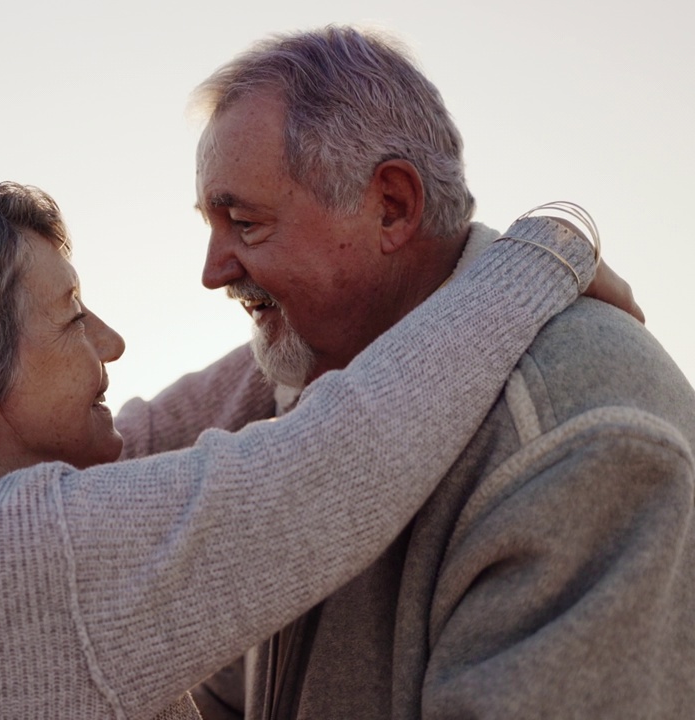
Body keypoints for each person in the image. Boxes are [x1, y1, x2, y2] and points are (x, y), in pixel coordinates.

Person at [0, 180, 609, 719]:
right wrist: (544, 253)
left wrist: (354, 308)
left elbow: (178, 425)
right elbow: (329, 469)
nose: (110, 343)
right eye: (73, 317)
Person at [188, 26, 694, 719]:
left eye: (243, 221)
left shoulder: (578, 445)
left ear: (391, 206)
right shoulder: (301, 374)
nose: (212, 271)